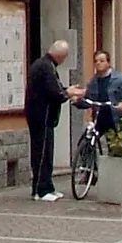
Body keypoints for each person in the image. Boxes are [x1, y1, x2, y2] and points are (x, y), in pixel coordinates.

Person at [24, 39, 81, 202]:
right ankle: (40, 190)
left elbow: (55, 88)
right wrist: (68, 93)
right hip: (40, 116)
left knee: (47, 153)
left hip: (44, 117)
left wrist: (67, 90)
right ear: (61, 56)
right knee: (41, 153)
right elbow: (54, 93)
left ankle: (48, 186)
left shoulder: (45, 65)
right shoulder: (45, 67)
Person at [74, 50, 122, 139]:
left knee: (116, 145)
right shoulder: (92, 82)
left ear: (108, 63)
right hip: (99, 118)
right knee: (87, 138)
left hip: (116, 118)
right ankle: (87, 151)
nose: (98, 63)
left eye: (101, 61)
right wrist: (77, 101)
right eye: (96, 61)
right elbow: (88, 100)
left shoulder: (120, 79)